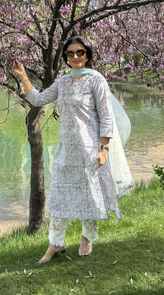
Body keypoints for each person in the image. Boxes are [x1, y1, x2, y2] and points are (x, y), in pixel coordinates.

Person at [12, 36, 132, 263]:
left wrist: (103, 148)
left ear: (87, 54)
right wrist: (23, 77)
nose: (75, 57)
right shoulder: (63, 81)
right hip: (66, 149)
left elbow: (106, 116)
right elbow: (38, 99)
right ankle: (56, 243)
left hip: (89, 149)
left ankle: (88, 237)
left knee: (89, 194)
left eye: (80, 52)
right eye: (70, 53)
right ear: (65, 57)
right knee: (60, 194)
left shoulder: (96, 80)